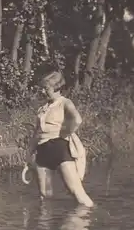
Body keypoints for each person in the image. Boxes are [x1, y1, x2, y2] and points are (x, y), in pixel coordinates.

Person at [26, 71, 94, 207]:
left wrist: (67, 131)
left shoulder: (64, 103)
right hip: (42, 151)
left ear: (56, 87)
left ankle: (89, 218)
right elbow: (36, 133)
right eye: (43, 88)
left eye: (46, 89)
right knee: (45, 195)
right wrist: (28, 155)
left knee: (76, 192)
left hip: (59, 147)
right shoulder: (42, 109)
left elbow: (77, 120)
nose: (43, 91)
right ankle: (46, 225)